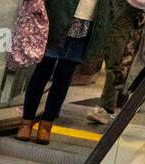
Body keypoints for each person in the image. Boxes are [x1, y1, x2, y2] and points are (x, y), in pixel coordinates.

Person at [18, 0, 112, 145]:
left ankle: (47, 124)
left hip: (87, 22)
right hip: (58, 14)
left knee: (64, 75)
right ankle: (26, 121)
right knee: (43, 70)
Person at [89, 0, 145, 124]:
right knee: (115, 55)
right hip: (125, 8)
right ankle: (107, 106)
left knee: (133, 59)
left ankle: (120, 103)